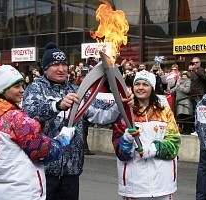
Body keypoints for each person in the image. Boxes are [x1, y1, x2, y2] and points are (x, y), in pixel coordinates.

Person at [22, 42, 134, 200]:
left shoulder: (77, 90)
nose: (61, 69)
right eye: (55, 65)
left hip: (71, 171)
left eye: (64, 64)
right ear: (45, 68)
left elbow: (102, 114)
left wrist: (120, 104)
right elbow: (29, 114)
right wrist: (58, 105)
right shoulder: (35, 89)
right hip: (43, 169)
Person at [0, 62, 76, 200]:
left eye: (22, 85)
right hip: (23, 192)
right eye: (16, 86)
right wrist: (63, 138)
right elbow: (43, 152)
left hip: (0, 192)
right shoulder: (16, 119)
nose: (22, 90)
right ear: (2, 90)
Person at [112, 70, 181, 200]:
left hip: (163, 185)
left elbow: (175, 143)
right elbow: (120, 153)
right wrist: (126, 139)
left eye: (145, 84)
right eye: (137, 84)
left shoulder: (164, 111)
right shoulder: (125, 112)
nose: (141, 88)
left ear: (152, 88)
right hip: (135, 186)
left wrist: (154, 150)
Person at [195, 79, 206, 200]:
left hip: (205, 144)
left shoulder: (200, 103)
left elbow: (196, 124)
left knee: (203, 172)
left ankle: (200, 198)